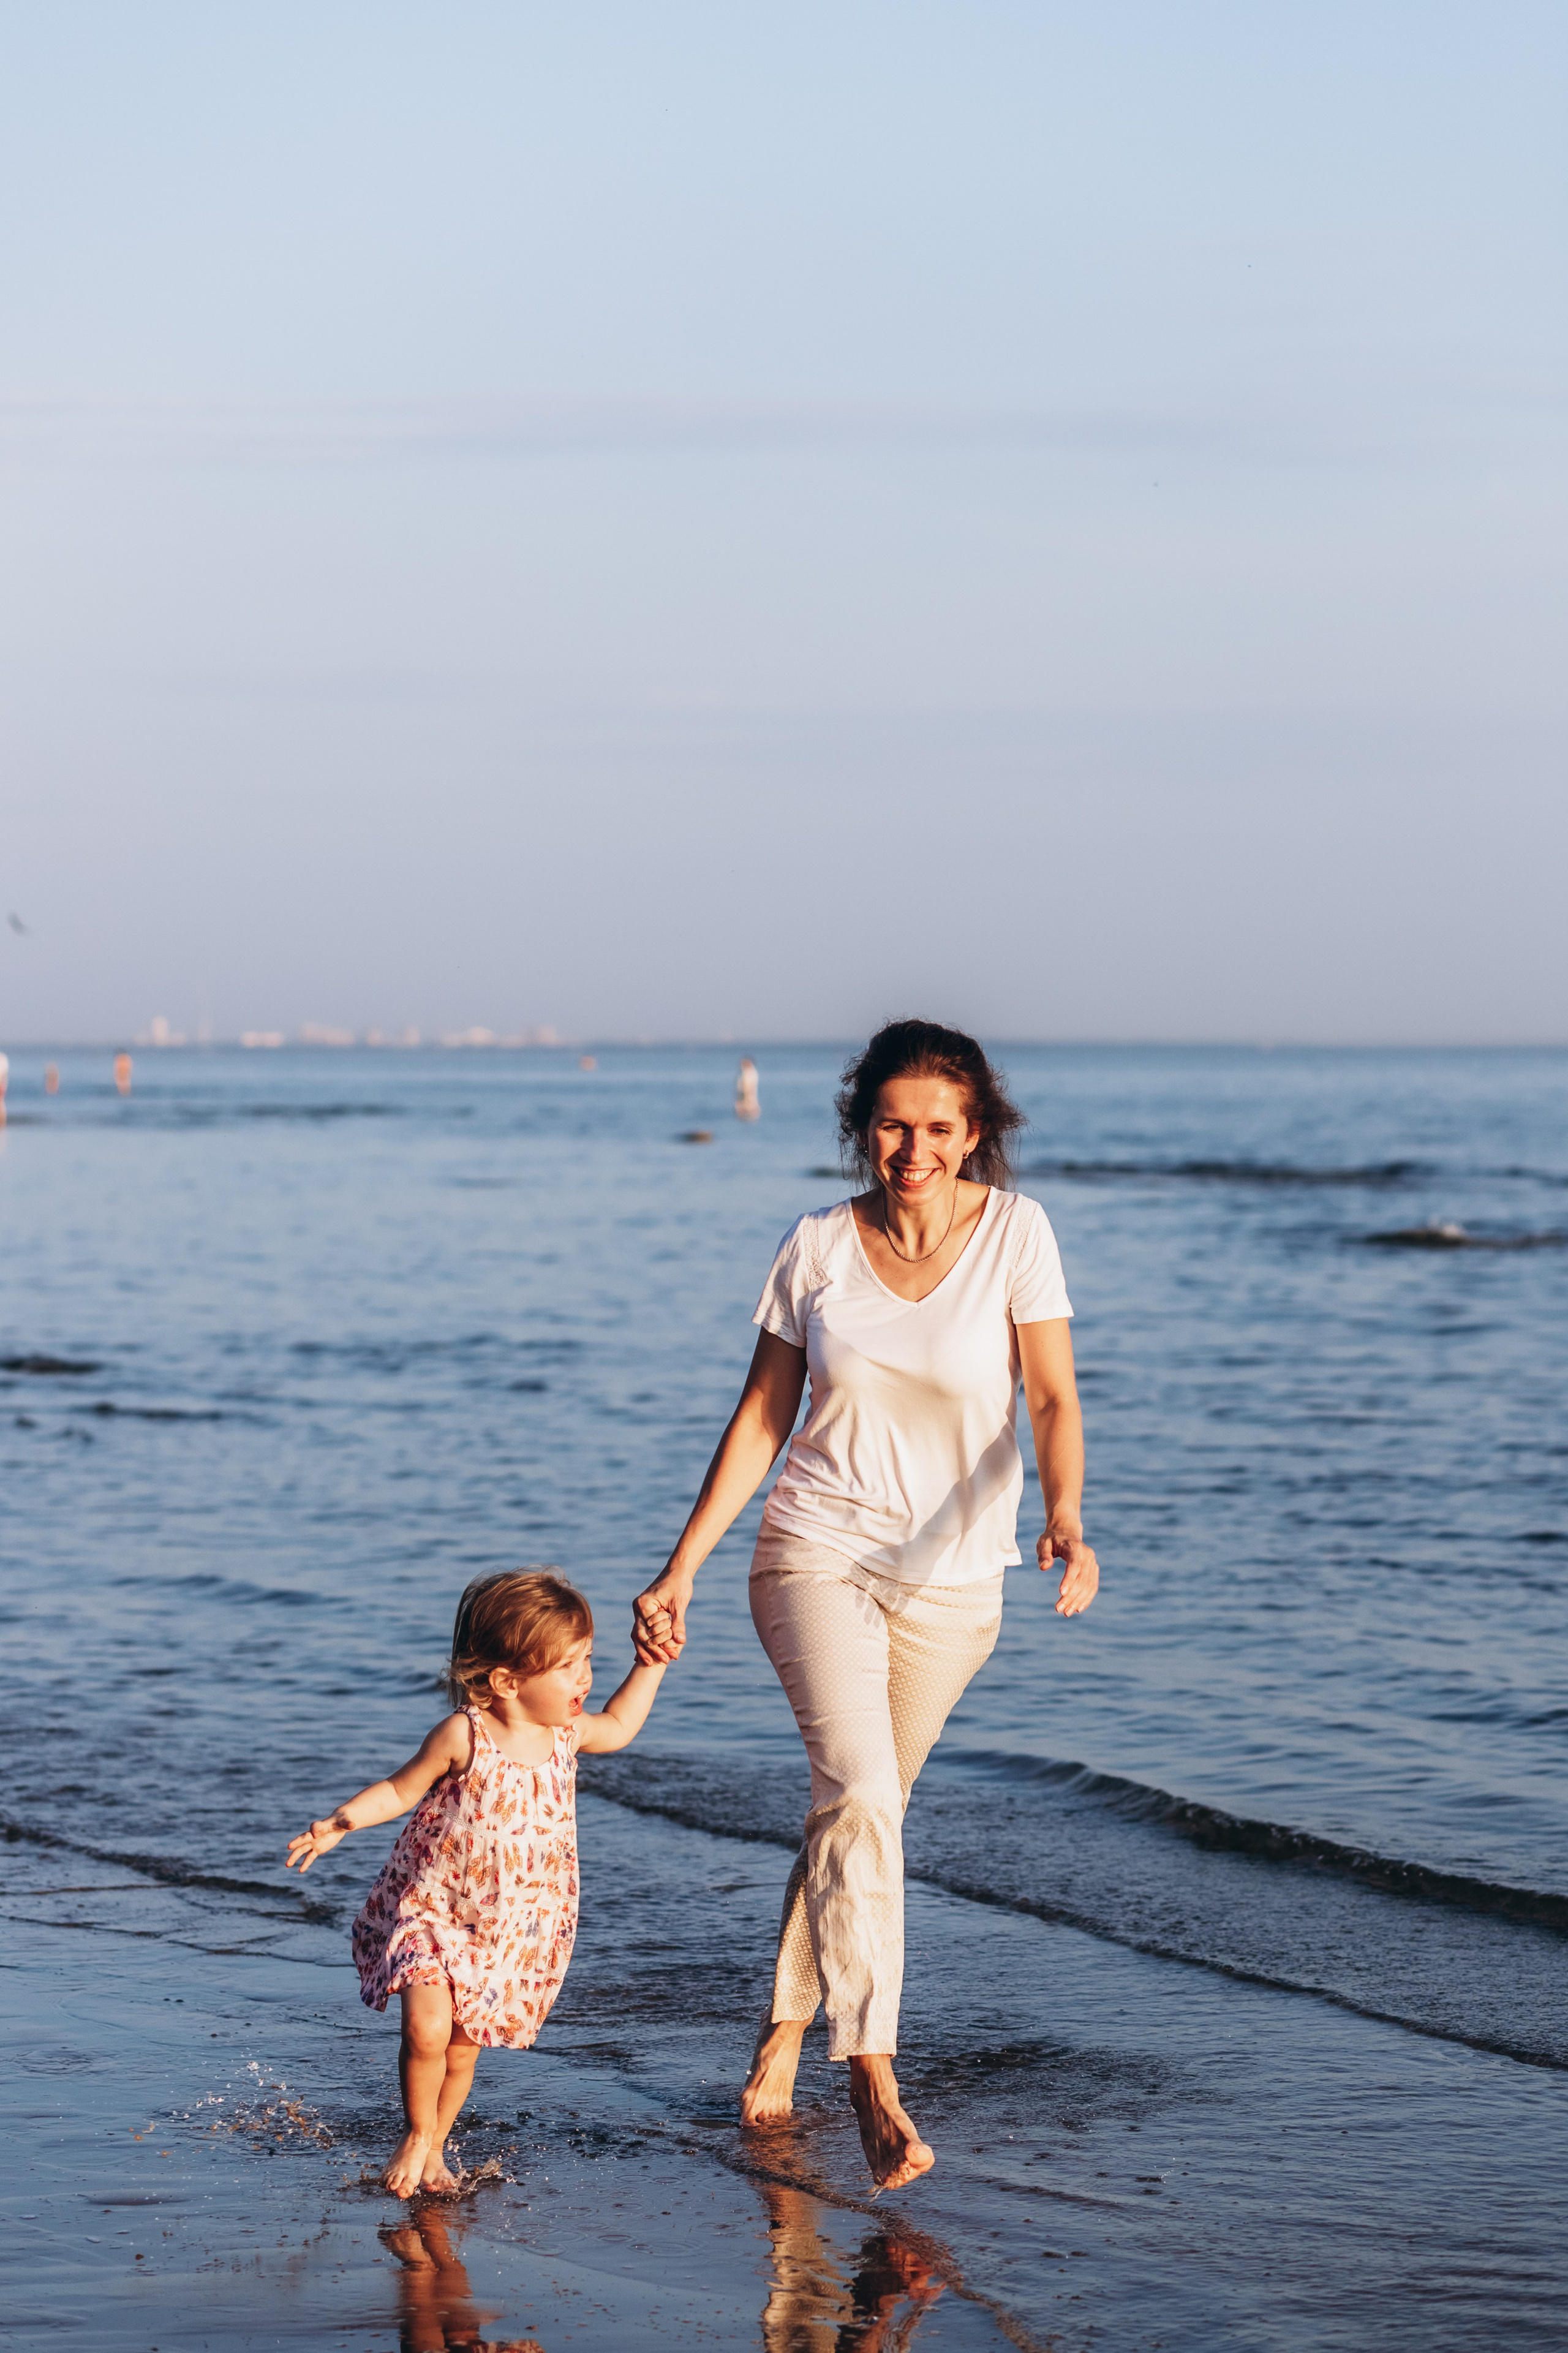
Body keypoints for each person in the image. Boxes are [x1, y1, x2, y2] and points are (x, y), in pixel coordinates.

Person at [632, 1018, 1100, 2192]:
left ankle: (784, 2033)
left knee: (858, 1813)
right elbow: (760, 1420)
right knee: (866, 1797)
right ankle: (874, 2074)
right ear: (863, 1127)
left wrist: (1066, 1515)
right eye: (893, 1124)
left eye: (940, 1127)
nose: (914, 1148)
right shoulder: (817, 1249)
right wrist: (681, 1563)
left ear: (975, 1134)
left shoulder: (1019, 1237)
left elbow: (1050, 1395)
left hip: (957, 1582)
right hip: (814, 1552)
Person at [286, 1569, 666, 2198]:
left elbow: (621, 1725)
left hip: (509, 1929)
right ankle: (415, 2133)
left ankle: (435, 2148)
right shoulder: (465, 1734)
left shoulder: (566, 1735)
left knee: (462, 2050)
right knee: (427, 2031)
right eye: (569, 1667)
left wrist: (649, 1662)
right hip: (434, 1911)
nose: (585, 1679)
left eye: (587, 1661)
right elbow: (402, 1789)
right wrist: (341, 1821)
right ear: (507, 1682)